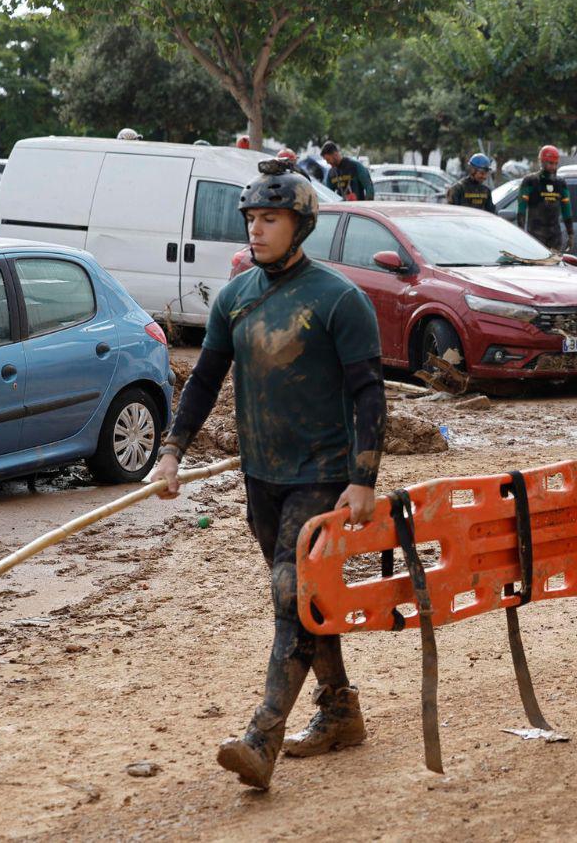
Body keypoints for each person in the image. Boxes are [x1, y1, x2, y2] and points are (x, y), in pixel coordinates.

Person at [149, 158, 387, 790]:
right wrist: (172, 449)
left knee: (291, 594)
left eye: (270, 219)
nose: (256, 231)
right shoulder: (235, 298)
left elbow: (369, 394)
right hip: (262, 476)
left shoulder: (339, 299)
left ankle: (262, 736)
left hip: (324, 476)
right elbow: (203, 382)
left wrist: (363, 477)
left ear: (299, 224)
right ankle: (340, 711)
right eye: (251, 219)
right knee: (307, 602)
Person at [516, 145, 573, 252]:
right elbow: (521, 208)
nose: (553, 167)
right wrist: (521, 232)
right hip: (535, 236)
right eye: (550, 163)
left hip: (555, 237)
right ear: (542, 162)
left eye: (556, 163)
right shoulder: (530, 181)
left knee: (555, 267)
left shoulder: (560, 183)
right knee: (538, 268)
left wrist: (571, 233)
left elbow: (567, 210)